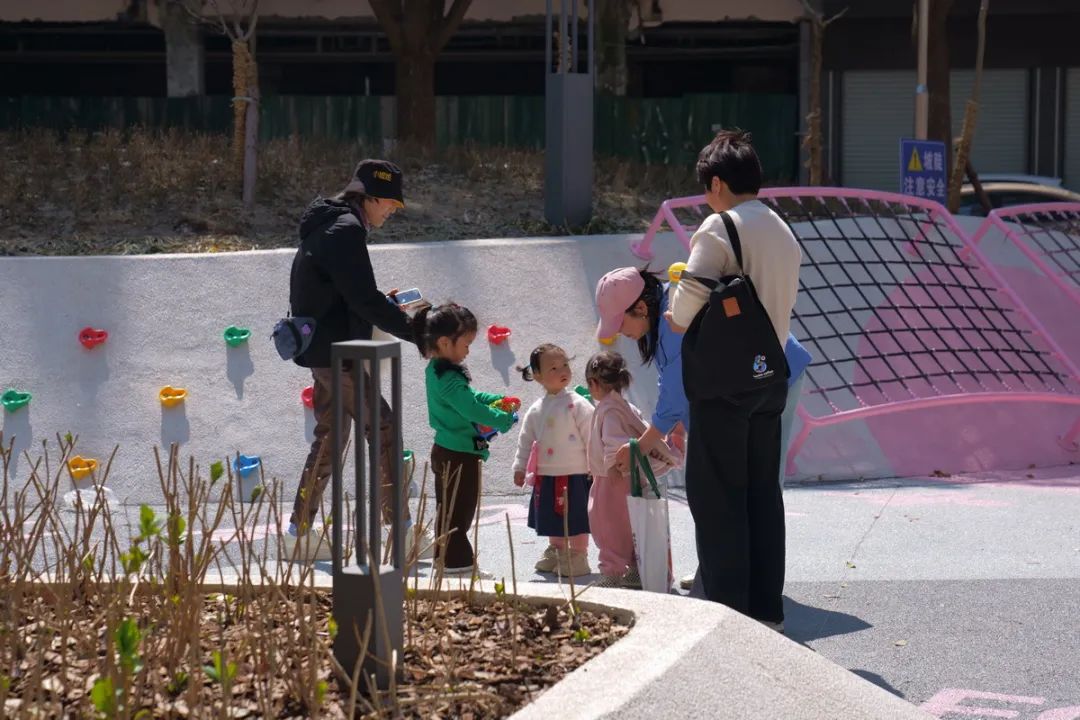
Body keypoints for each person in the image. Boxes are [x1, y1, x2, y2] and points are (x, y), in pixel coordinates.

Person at [665, 129, 802, 631]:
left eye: (706, 187)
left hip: (726, 383)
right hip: (771, 378)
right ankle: (766, 606)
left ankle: (728, 612)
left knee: (717, 493)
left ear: (717, 182)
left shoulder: (719, 228)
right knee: (762, 492)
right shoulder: (783, 229)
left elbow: (684, 309)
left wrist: (674, 304)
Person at [286, 158, 433, 562]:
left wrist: (384, 308)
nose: (392, 211)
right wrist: (419, 332)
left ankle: (297, 533)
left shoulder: (329, 224)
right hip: (341, 355)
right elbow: (362, 299)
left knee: (330, 438)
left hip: (323, 351)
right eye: (389, 203)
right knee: (384, 431)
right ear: (368, 197)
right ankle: (400, 533)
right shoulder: (347, 230)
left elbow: (344, 293)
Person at [414, 302, 517, 577]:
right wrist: (502, 419)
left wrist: (493, 400)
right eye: (466, 344)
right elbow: (470, 408)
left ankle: (443, 558)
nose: (468, 350)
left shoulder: (438, 370)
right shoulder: (447, 378)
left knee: (448, 510)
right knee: (460, 513)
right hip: (458, 455)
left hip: (447, 451)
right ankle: (458, 567)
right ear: (445, 342)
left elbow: (470, 397)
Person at [584, 351, 682, 588]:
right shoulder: (627, 407)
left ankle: (612, 573)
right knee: (634, 526)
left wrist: (612, 469)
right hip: (635, 477)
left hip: (613, 479)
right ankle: (638, 570)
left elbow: (614, 445)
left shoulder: (608, 410)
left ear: (594, 384)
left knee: (607, 527)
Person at [512, 344, 595, 578]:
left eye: (565, 364)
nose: (562, 370)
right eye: (553, 368)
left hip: (576, 472)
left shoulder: (578, 403)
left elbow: (591, 435)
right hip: (546, 473)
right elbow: (525, 440)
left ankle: (579, 555)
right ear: (537, 376)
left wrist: (595, 465)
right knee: (552, 514)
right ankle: (557, 550)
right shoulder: (537, 408)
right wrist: (520, 467)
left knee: (576, 515)